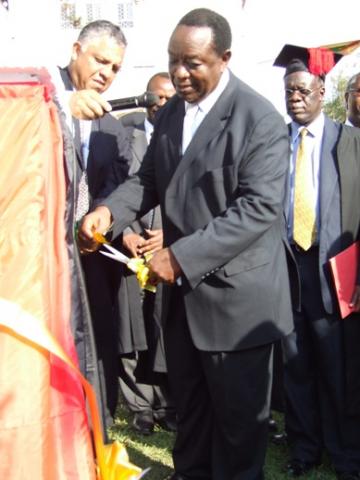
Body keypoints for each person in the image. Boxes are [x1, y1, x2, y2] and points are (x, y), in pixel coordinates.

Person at [78, 8, 293, 480]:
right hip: (183, 307)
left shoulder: (260, 120)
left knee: (238, 435)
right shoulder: (174, 110)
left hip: (238, 309)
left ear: (224, 58)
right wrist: (109, 211)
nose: (179, 73)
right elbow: (149, 179)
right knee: (191, 424)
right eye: (174, 60)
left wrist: (180, 255)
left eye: (192, 63)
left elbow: (258, 208)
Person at [273, 44, 360, 480]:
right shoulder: (273, 144)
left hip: (336, 272)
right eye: (290, 91)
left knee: (339, 367)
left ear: (322, 90)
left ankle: (346, 454)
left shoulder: (351, 142)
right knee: (296, 364)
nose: (296, 98)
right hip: (288, 270)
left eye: (304, 90)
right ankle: (304, 448)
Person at [58, 20, 131, 429]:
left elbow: (116, 185)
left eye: (116, 67)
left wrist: (98, 219)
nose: (106, 72)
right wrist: (58, 106)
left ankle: (96, 425)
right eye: (100, 60)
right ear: (75, 50)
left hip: (93, 257)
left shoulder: (111, 125)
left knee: (97, 342)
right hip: (42, 255)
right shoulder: (40, 97)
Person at [117, 72, 177, 435]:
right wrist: (123, 232)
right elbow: (110, 185)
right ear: (146, 99)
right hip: (129, 250)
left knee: (164, 327)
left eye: (171, 98)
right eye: (157, 98)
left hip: (170, 249)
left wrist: (170, 235)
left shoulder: (187, 136)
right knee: (132, 329)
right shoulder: (127, 133)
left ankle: (169, 403)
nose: (163, 104)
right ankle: (140, 405)